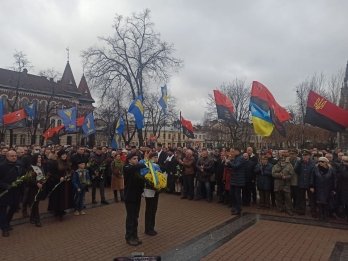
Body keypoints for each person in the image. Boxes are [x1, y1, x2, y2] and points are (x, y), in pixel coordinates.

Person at [123, 152, 146, 246]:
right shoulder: (127, 167)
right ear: (129, 160)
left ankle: (135, 236)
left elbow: (140, 180)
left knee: (135, 217)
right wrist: (144, 162)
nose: (136, 160)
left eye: (137, 158)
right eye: (134, 159)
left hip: (137, 196)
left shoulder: (136, 169)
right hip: (130, 196)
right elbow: (135, 167)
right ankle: (129, 237)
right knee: (131, 218)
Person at [0, 150, 23, 237]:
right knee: (2, 210)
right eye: (12, 156)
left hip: (16, 191)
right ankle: (4, 228)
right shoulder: (2, 166)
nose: (14, 157)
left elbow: (21, 176)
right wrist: (6, 186)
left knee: (14, 208)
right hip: (4, 191)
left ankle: (7, 222)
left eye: (15, 156)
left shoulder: (19, 165)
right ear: (7, 157)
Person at [47, 149, 73, 221]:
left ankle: (62, 209)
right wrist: (59, 178)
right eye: (62, 155)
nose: (64, 156)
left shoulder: (67, 162)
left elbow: (69, 171)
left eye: (65, 154)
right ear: (59, 156)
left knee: (64, 197)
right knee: (58, 197)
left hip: (66, 182)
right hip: (58, 183)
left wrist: (69, 176)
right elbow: (52, 173)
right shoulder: (55, 163)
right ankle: (58, 212)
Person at [310, 157, 336, 221]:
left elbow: (334, 180)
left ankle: (325, 215)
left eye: (322, 162)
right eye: (319, 161)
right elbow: (312, 178)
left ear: (326, 162)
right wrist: (311, 186)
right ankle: (320, 215)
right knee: (319, 202)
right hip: (318, 187)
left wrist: (334, 189)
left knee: (326, 202)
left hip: (327, 188)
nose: (320, 163)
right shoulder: (315, 169)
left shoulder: (331, 169)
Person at [272, 150, 294, 216]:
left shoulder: (289, 165)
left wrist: (286, 177)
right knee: (278, 197)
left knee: (288, 197)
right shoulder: (276, 165)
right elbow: (273, 174)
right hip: (278, 184)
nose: (283, 159)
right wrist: (279, 175)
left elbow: (291, 174)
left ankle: (289, 209)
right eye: (281, 158)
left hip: (286, 184)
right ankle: (280, 208)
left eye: (284, 158)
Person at [226, 148, 247, 215]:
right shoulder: (236, 158)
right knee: (232, 194)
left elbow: (236, 166)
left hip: (238, 180)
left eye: (234, 151)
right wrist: (227, 164)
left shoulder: (241, 158)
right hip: (234, 179)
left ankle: (238, 209)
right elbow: (232, 167)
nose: (233, 152)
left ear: (238, 151)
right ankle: (234, 207)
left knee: (237, 195)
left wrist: (229, 162)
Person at [28, 154, 47, 227]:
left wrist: (44, 180)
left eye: (40, 157)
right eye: (38, 157)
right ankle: (37, 220)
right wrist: (36, 183)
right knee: (35, 204)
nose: (39, 158)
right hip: (33, 188)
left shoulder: (41, 166)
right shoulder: (31, 167)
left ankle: (32, 218)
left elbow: (42, 175)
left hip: (40, 187)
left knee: (36, 203)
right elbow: (29, 179)